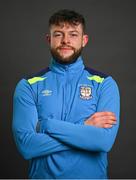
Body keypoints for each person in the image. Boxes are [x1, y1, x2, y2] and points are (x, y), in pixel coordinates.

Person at [12, 9, 120, 179]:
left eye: (73, 34)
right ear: (49, 40)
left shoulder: (105, 84)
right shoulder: (28, 86)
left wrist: (47, 125)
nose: (65, 41)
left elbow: (103, 142)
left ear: (84, 40)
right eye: (58, 34)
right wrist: (85, 128)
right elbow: (27, 146)